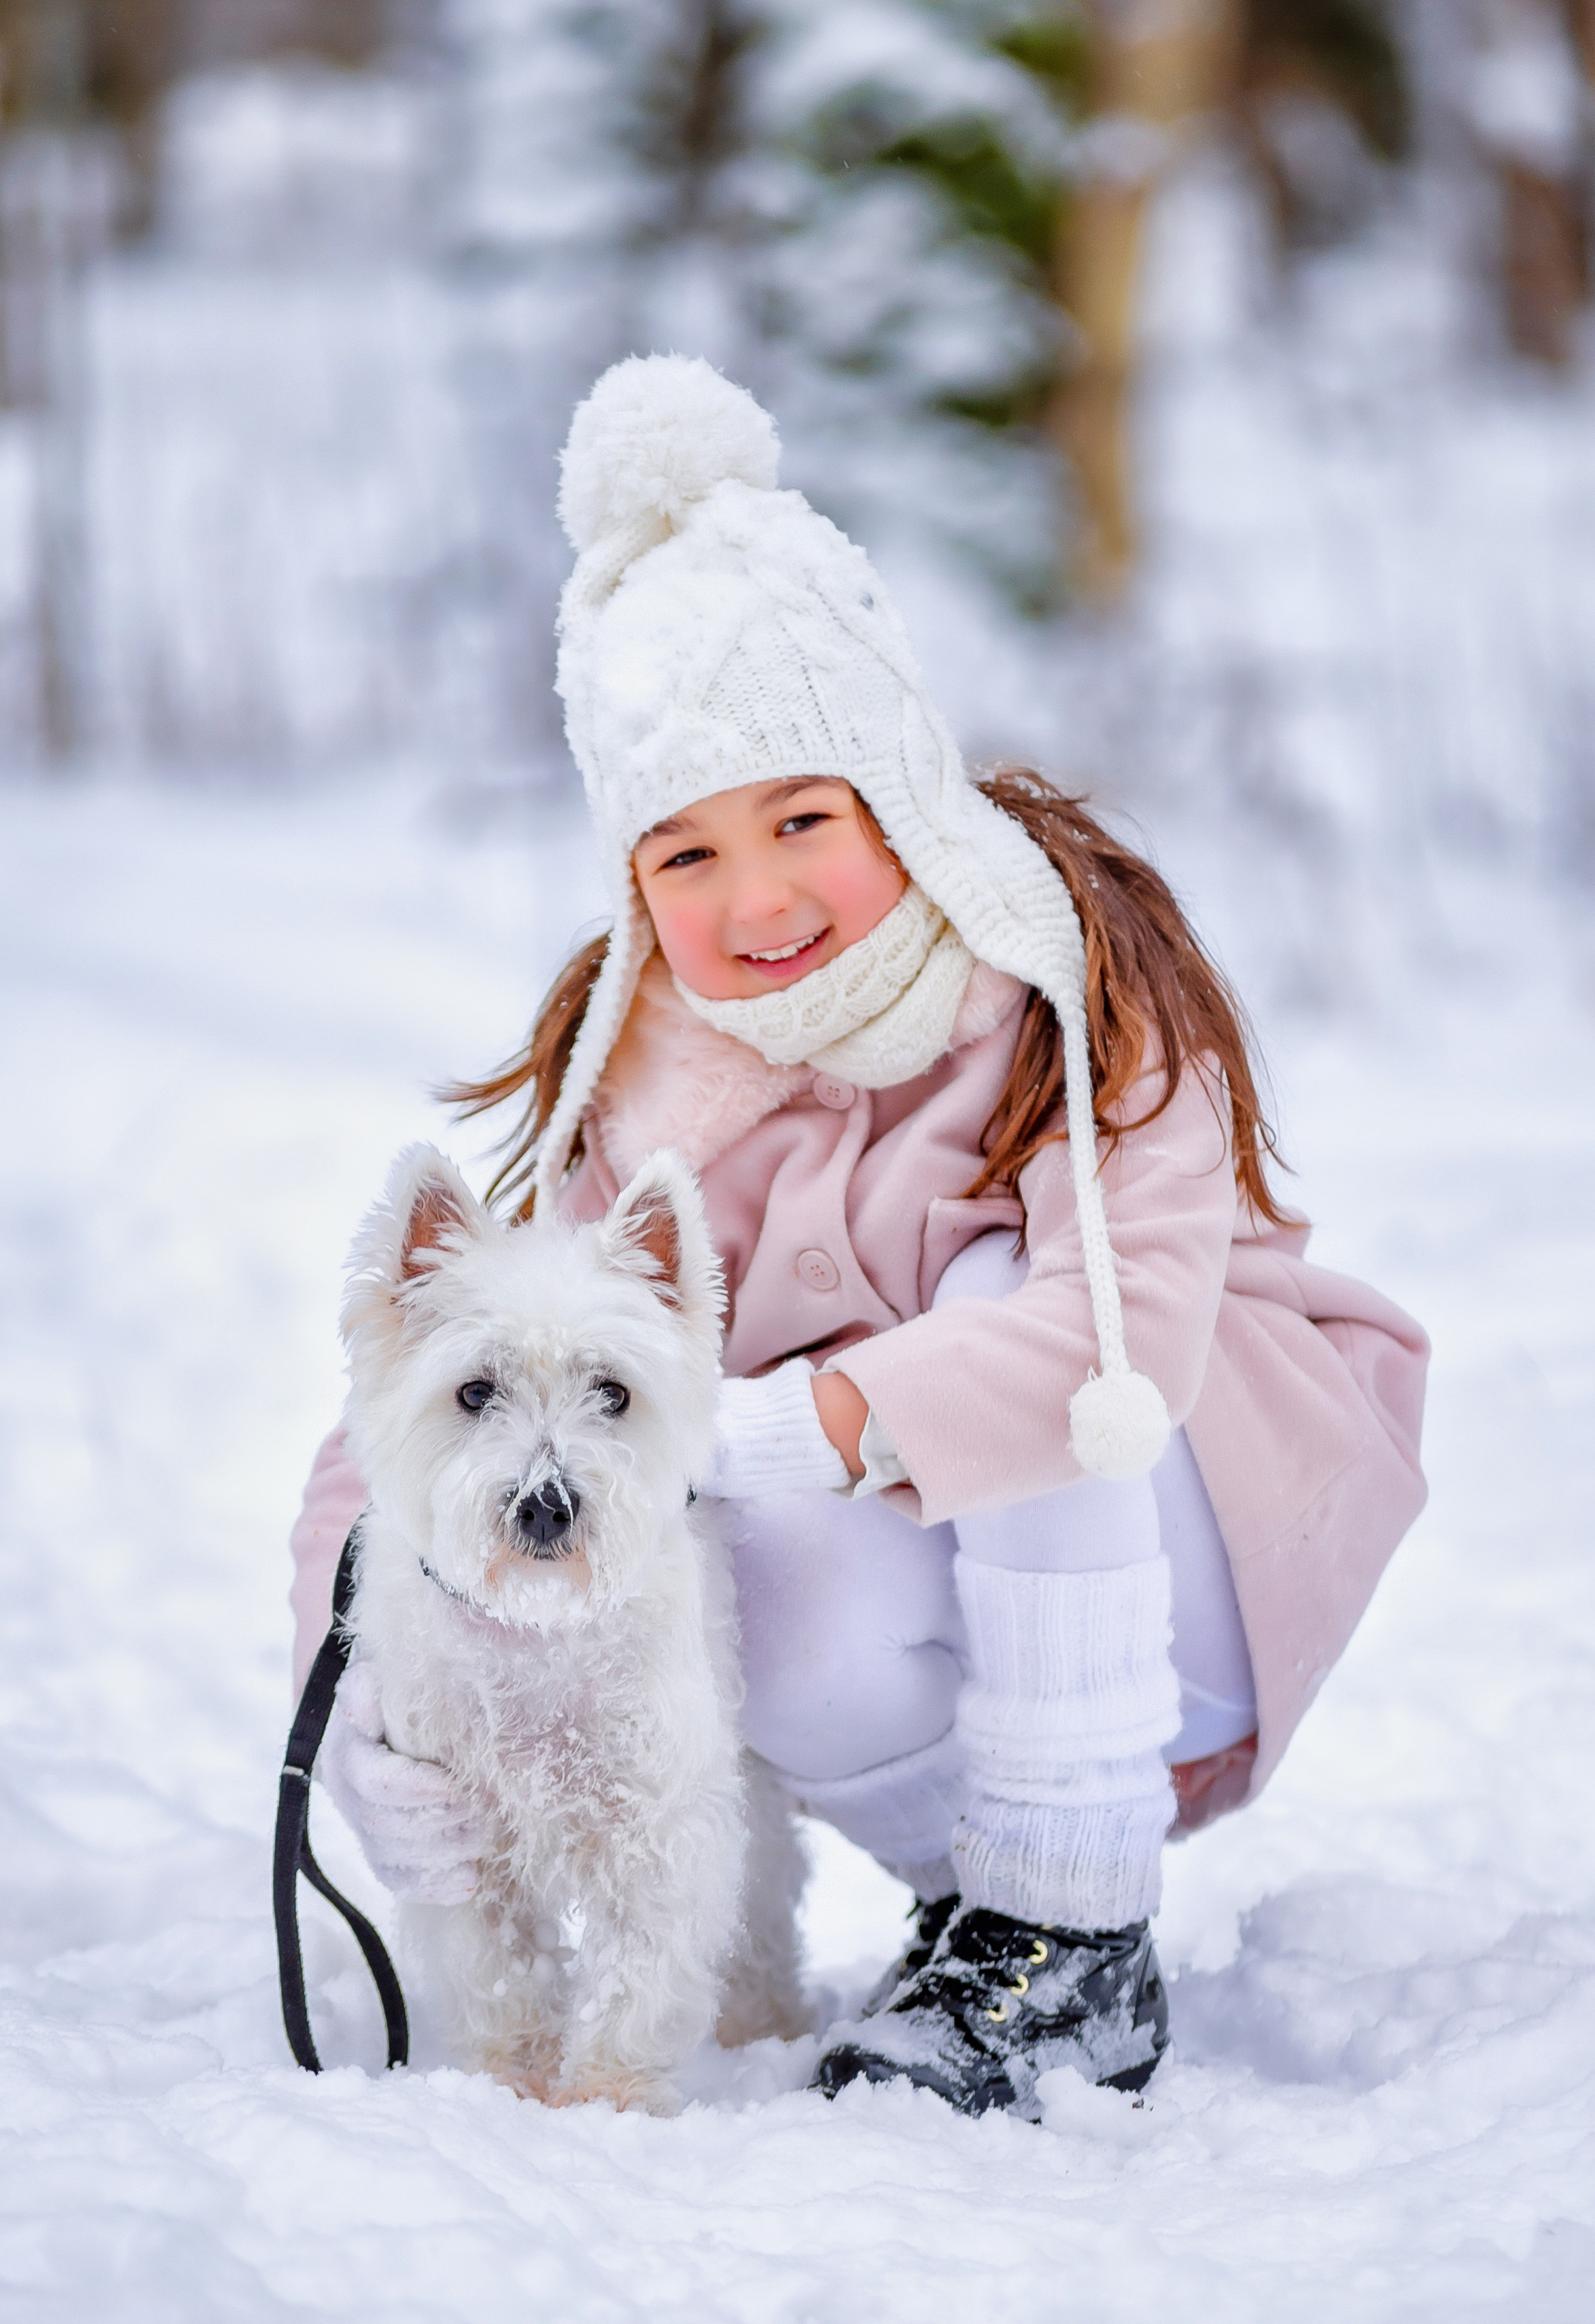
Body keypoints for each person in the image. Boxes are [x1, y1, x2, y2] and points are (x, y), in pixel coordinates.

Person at [293, 354, 1430, 2116]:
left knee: (966, 1313)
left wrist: (759, 1424)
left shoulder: (1070, 976)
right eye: (684, 853)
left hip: (1207, 1529)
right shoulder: (648, 1089)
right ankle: (982, 1910)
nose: (753, 902)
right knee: (705, 1556)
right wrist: (360, 1692)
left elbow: (1101, 1344)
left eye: (804, 819)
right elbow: (417, 1390)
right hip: (978, 1608)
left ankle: (1072, 1924)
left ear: (896, 782)